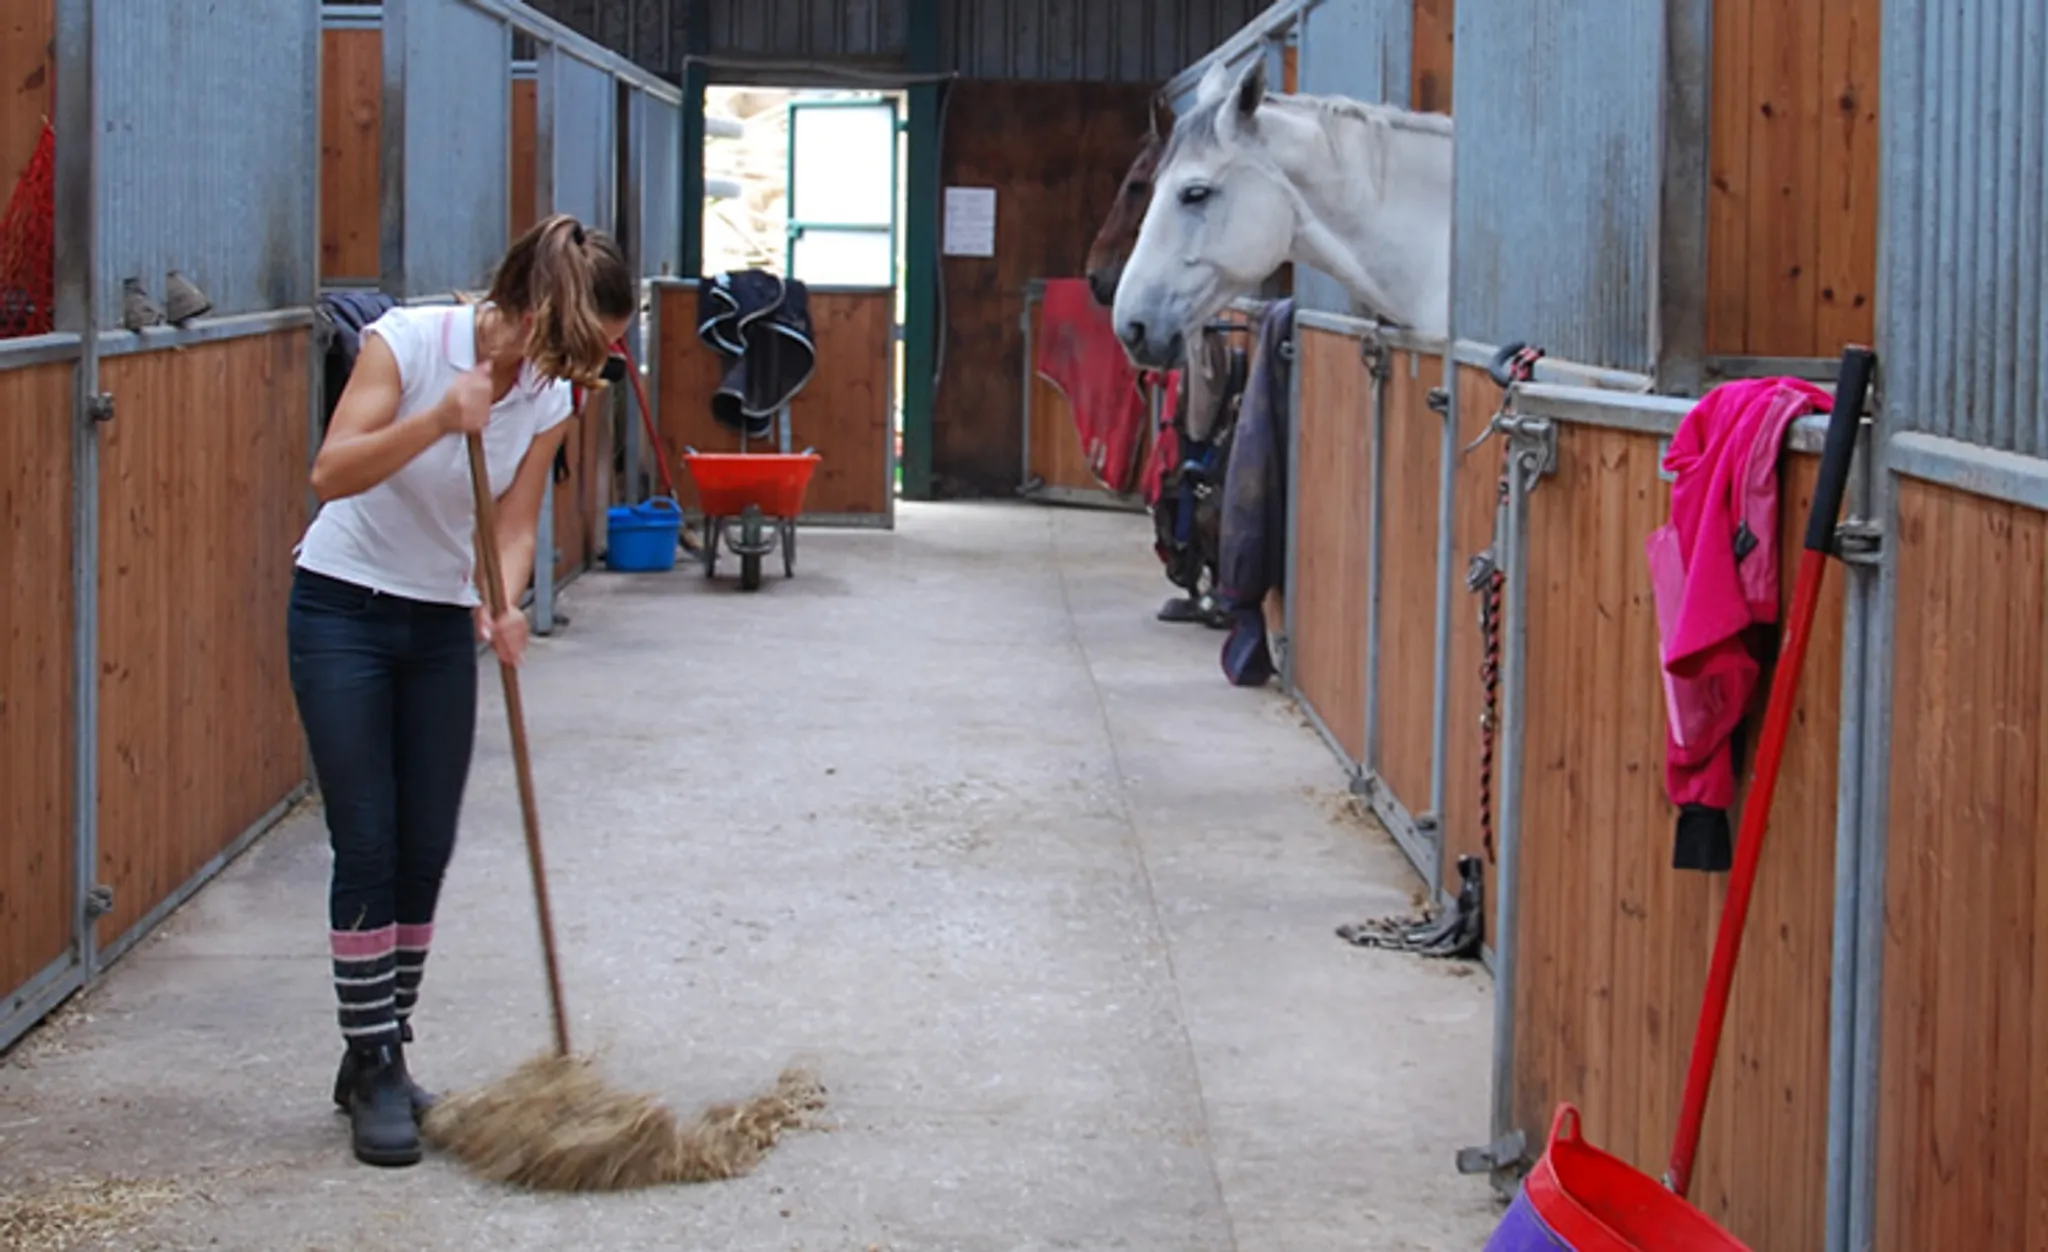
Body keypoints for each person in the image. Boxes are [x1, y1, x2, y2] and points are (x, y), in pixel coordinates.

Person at [288, 213, 634, 1167]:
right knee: (367, 842)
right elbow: (332, 473)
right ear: (527, 311)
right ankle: (377, 1061)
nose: (570, 374)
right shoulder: (405, 343)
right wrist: (439, 419)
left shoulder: (552, 397)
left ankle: (377, 1048)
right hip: (343, 611)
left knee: (424, 850)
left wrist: (504, 597)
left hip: (439, 625)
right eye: (570, 350)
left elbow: (515, 522)